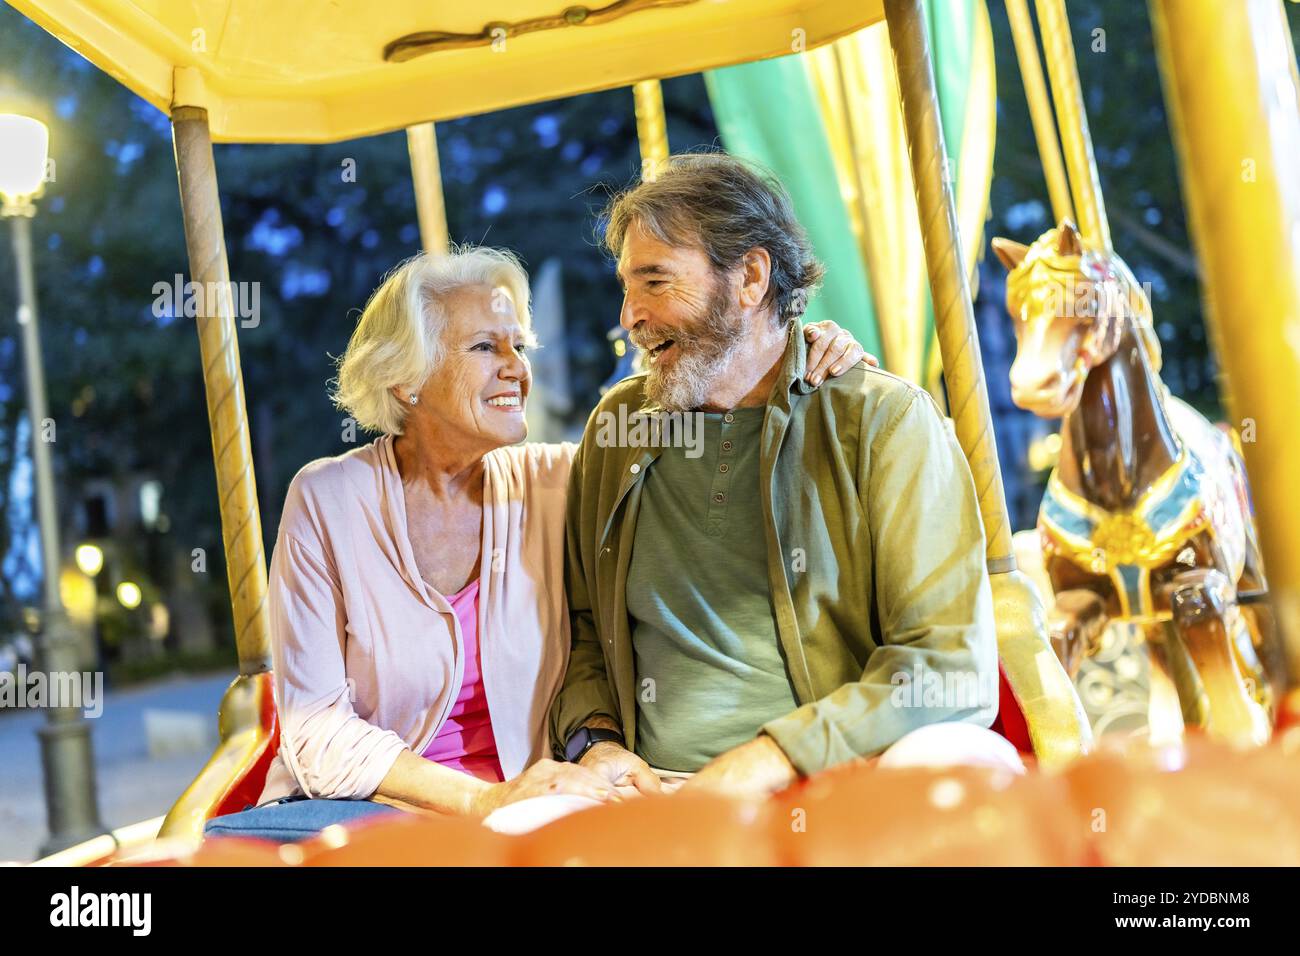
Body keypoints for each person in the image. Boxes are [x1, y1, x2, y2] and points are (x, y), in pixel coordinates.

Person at [204, 244, 869, 842]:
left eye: (518, 346)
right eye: (485, 349)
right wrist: (484, 799)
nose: (517, 369)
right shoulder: (328, 500)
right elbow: (316, 732)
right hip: (373, 818)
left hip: (542, 806)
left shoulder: (557, 479)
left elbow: (705, 435)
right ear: (405, 380)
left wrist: (787, 352)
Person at [549, 153, 1001, 800]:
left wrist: (775, 758)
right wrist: (594, 741)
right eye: (627, 287)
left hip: (836, 782)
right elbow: (585, 626)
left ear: (751, 278)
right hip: (648, 795)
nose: (630, 316)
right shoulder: (620, 426)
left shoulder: (881, 420)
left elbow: (946, 668)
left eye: (654, 281)